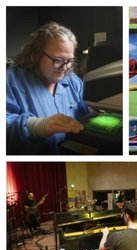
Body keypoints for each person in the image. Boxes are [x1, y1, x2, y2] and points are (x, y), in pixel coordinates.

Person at [7, 22, 88, 155]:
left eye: (70, 61)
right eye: (58, 60)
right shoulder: (11, 81)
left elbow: (87, 109)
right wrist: (40, 126)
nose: (65, 67)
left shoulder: (72, 80)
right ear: (36, 54)